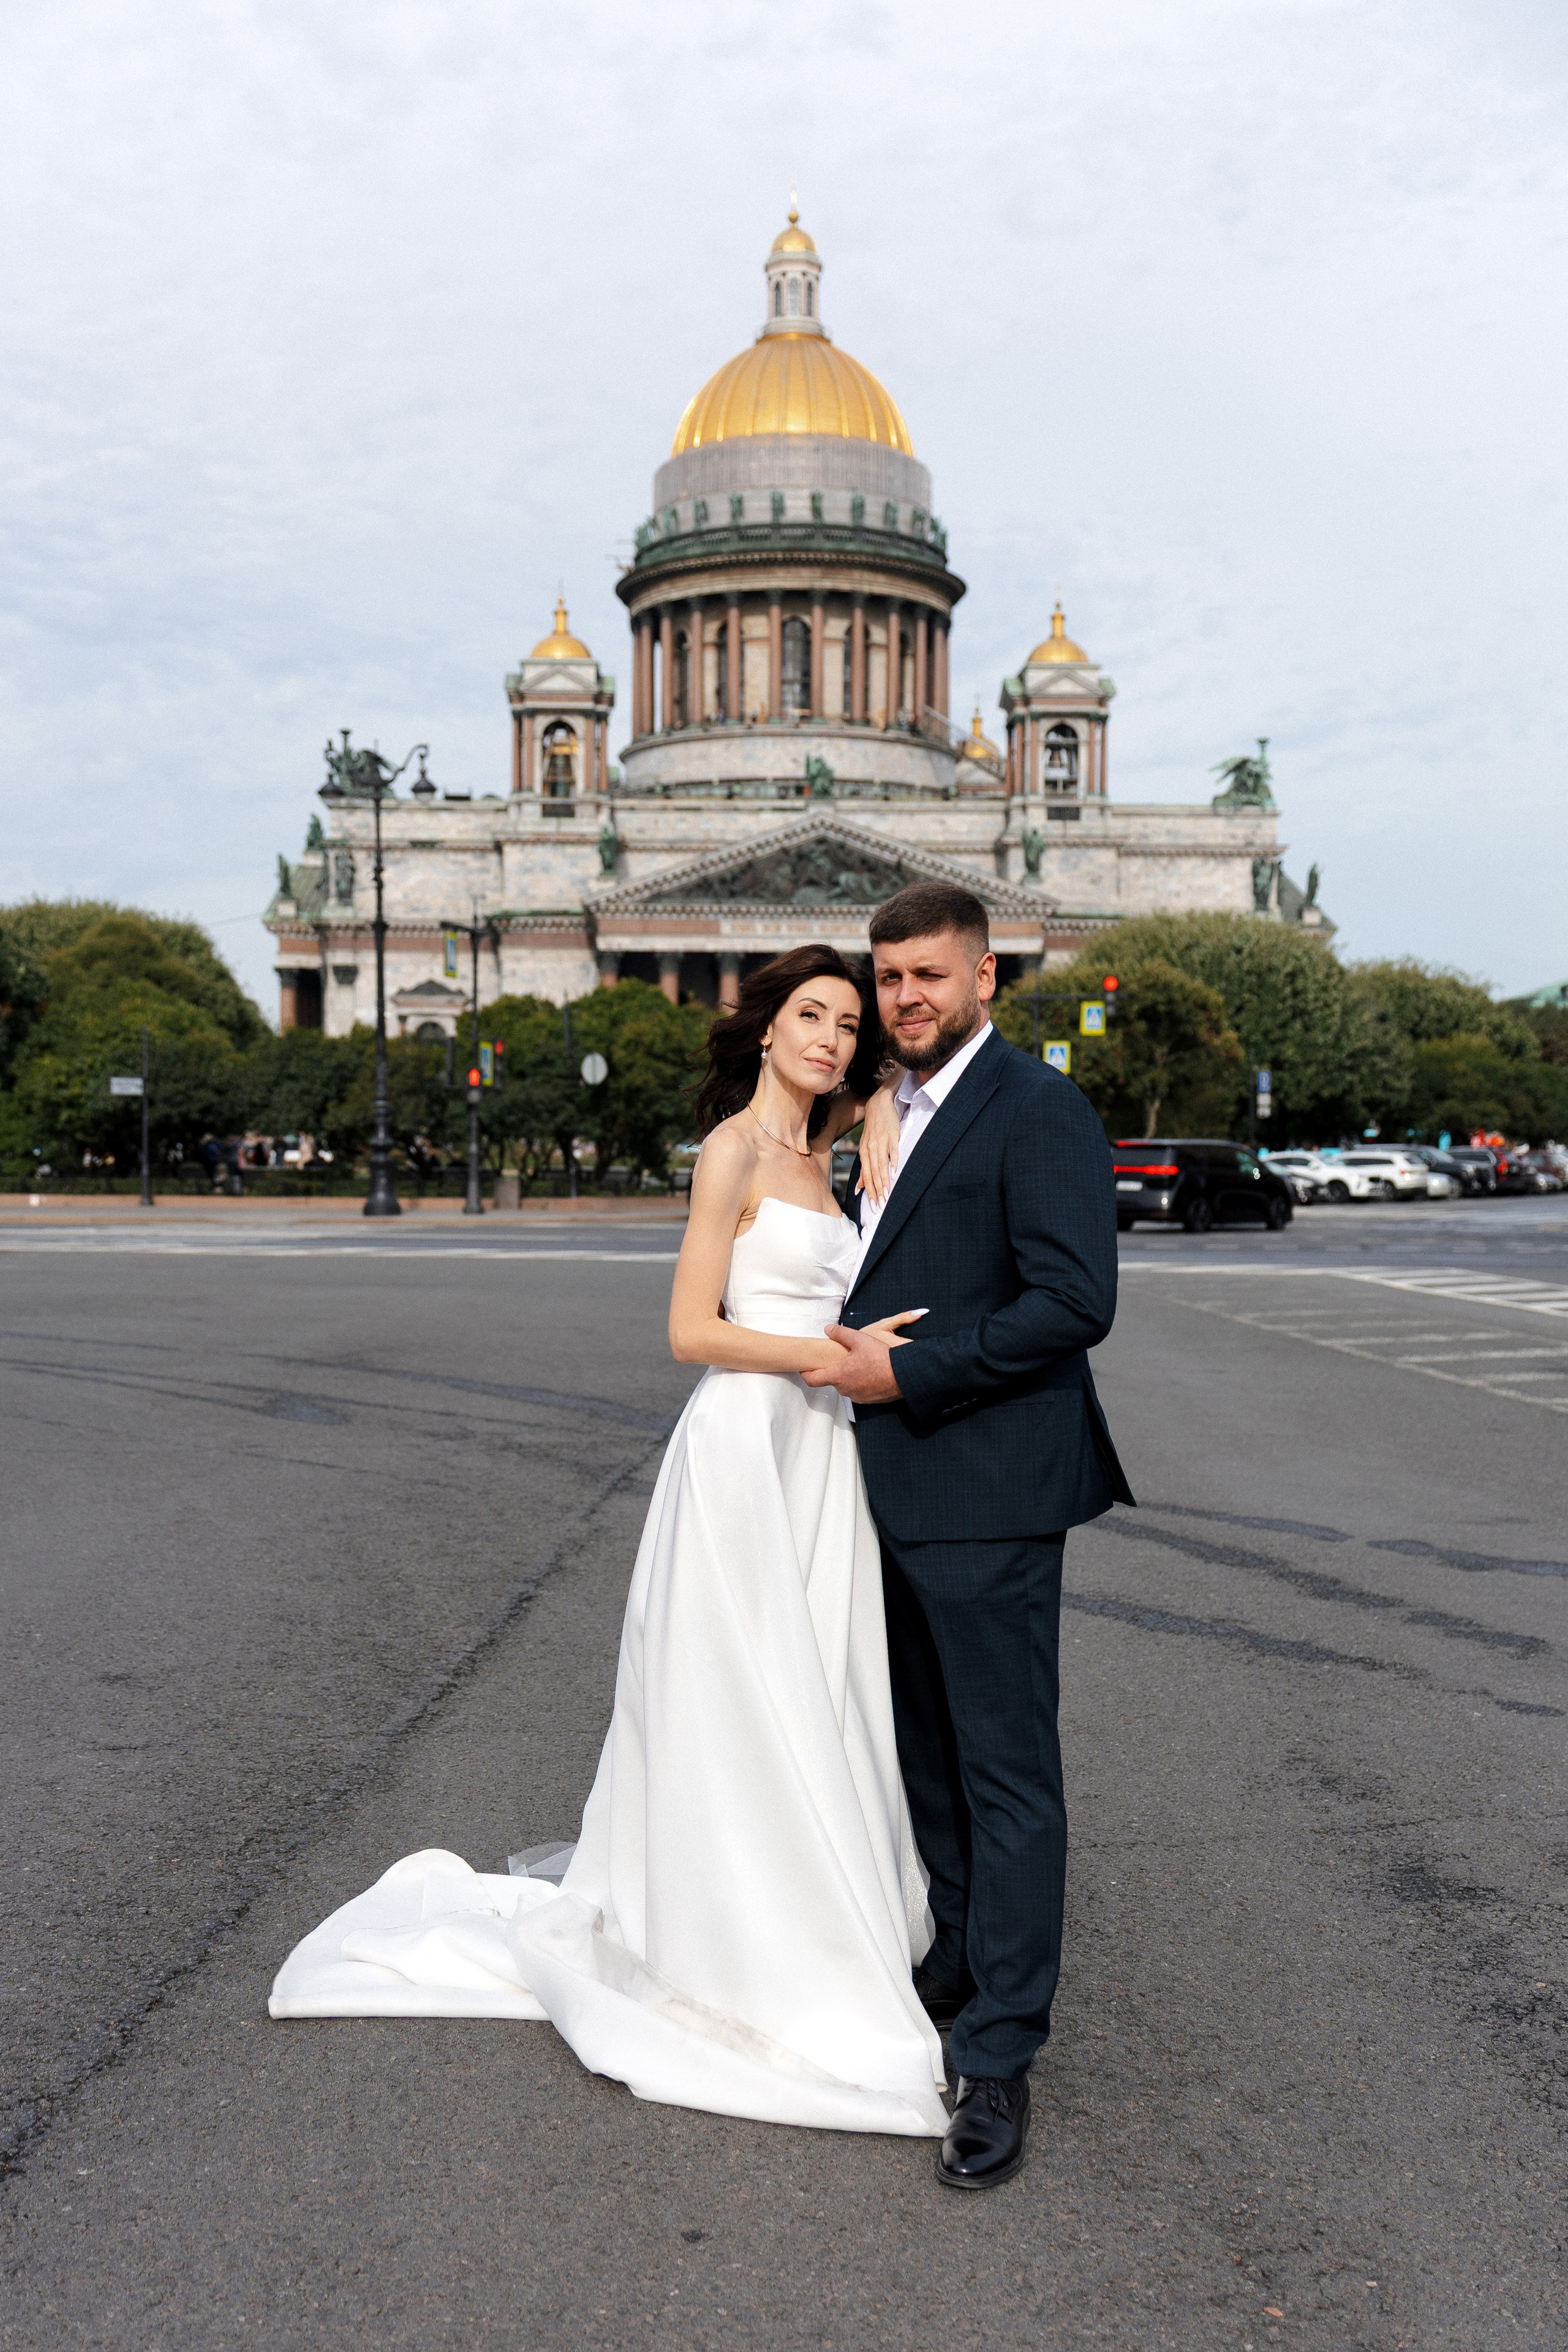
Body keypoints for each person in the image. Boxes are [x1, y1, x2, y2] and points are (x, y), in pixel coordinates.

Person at [269, 944, 951, 2137]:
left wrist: (861, 1324)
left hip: (817, 1448)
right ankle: (733, 1931)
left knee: (821, 1690)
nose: (833, 1039)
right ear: (764, 1027)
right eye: (811, 1015)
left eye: (847, 1023)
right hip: (747, 1446)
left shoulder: (826, 1156)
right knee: (744, 1697)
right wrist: (814, 1354)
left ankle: (813, 1908)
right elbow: (691, 1330)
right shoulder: (733, 1152)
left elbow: (821, 1270)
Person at [801, 881, 1133, 2188]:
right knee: (922, 1757)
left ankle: (997, 2049)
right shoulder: (884, 1112)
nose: (904, 1002)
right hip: (877, 1493)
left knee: (1003, 1772)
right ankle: (950, 1961)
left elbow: (1072, 1300)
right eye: (889, 982)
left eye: (929, 978)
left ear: (985, 977)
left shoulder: (1042, 1107)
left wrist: (910, 1378)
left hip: (985, 1484)